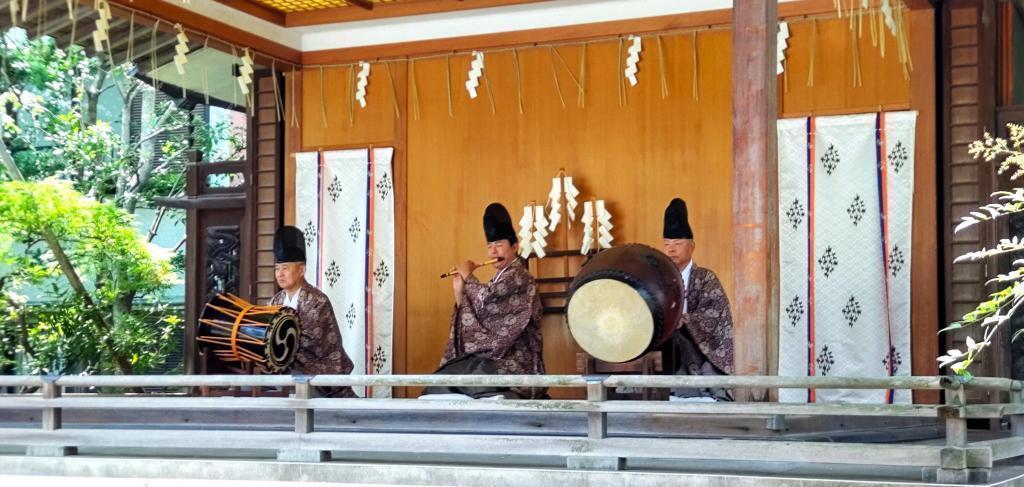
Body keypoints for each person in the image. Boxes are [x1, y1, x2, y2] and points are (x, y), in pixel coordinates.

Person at [441, 203, 546, 399]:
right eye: (489, 246)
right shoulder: (500, 278)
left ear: (515, 247)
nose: (493, 251)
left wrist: (468, 276)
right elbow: (477, 312)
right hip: (495, 358)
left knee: (466, 377)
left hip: (516, 359)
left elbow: (486, 300)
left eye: (499, 245)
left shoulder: (520, 276)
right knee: (450, 377)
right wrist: (459, 291)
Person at [269, 226, 355, 398]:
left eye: (285, 268)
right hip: (287, 380)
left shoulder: (317, 301)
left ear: (301, 270)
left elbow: (310, 343)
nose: (280, 274)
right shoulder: (274, 302)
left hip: (321, 379)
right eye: (277, 268)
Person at [662, 198, 735, 401]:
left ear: (691, 246)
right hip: (664, 344)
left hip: (695, 346)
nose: (671, 249)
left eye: (677, 243)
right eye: (667, 244)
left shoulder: (705, 277)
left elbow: (715, 314)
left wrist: (684, 321)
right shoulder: (659, 278)